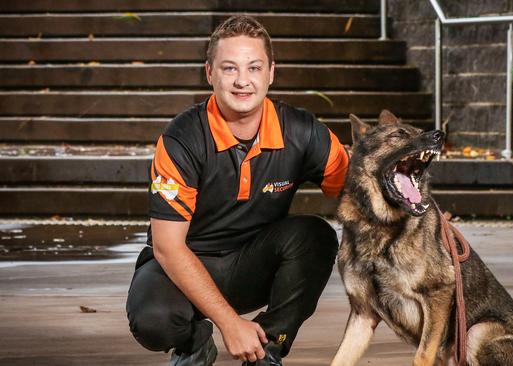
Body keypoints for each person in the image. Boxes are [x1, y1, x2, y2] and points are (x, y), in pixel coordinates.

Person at [125, 15, 349, 366]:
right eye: (229, 68)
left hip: (253, 265)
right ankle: (195, 343)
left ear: (271, 73)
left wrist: (421, 215)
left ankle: (265, 349)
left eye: (254, 68)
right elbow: (168, 248)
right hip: (184, 266)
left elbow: (360, 188)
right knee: (153, 320)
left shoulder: (302, 131)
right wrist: (228, 324)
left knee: (315, 236)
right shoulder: (181, 139)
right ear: (209, 73)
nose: (243, 81)